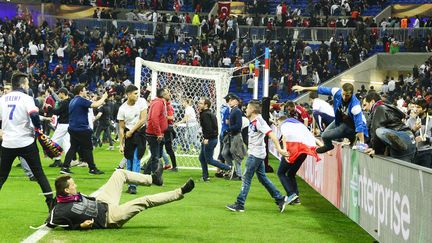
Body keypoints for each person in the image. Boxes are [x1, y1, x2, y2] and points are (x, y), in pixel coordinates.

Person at [46, 169, 195, 230]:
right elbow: (50, 223)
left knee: (119, 174)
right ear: (66, 190)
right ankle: (180, 192)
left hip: (102, 201)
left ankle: (153, 179)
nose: (75, 185)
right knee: (144, 201)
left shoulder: (69, 196)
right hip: (110, 217)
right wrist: (79, 226)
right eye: (73, 185)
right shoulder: (60, 210)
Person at [0, 72, 55, 211]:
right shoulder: (26, 98)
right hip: (25, 141)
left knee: (2, 176)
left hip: (8, 142)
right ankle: (51, 204)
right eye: (27, 83)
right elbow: (34, 115)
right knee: (39, 173)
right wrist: (37, 129)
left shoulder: (3, 99)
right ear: (23, 84)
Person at [226, 100, 290, 213]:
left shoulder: (259, 121)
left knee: (246, 178)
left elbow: (271, 135)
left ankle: (240, 204)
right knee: (262, 178)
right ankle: (280, 198)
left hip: (255, 155)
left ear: (252, 109)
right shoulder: (255, 120)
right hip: (257, 153)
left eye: (247, 108)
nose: (245, 109)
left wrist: (279, 149)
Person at [292, 83, 368, 153]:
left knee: (325, 135)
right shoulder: (337, 92)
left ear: (351, 94)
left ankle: (351, 137)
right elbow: (321, 89)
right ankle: (329, 146)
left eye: (347, 95)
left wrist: (362, 143)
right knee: (324, 136)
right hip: (340, 120)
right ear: (341, 91)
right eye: (343, 94)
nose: (344, 97)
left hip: (352, 125)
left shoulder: (355, 106)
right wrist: (304, 88)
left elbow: (359, 125)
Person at [60, 84, 106, 175]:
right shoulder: (81, 100)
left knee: (73, 148)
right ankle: (92, 168)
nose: (86, 92)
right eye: (84, 90)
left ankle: (65, 167)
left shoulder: (72, 101)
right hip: (81, 129)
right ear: (80, 91)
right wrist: (104, 97)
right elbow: (96, 104)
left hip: (72, 128)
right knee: (88, 148)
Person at [276, 115, 320, 206]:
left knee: (281, 173)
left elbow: (284, 137)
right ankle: (296, 199)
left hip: (293, 151)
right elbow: (313, 138)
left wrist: (284, 150)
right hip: (303, 152)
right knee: (291, 174)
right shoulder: (298, 126)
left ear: (281, 121)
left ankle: (291, 194)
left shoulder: (285, 125)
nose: (278, 126)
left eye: (278, 124)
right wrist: (324, 147)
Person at [362, 92, 416, 162]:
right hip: (410, 140)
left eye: (365, 105)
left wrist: (376, 150)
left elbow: (376, 131)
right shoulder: (388, 108)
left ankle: (397, 141)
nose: (364, 108)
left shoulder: (379, 108)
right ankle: (395, 144)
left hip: (402, 137)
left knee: (380, 131)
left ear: (372, 101)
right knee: (402, 170)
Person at [117, 85, 148, 194]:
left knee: (136, 158)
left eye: (137, 93)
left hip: (139, 134)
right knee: (129, 160)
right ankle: (130, 183)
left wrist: (132, 131)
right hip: (129, 135)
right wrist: (121, 144)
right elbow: (121, 127)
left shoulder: (142, 101)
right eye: (135, 93)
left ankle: (133, 185)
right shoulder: (122, 109)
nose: (137, 95)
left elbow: (143, 119)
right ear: (128, 94)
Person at [197, 98, 231, 181]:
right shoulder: (208, 113)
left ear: (206, 105)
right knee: (202, 158)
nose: (198, 104)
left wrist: (206, 138)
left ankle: (228, 167)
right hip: (212, 138)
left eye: (201, 103)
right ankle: (205, 177)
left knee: (209, 160)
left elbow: (208, 128)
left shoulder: (205, 115)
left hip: (209, 139)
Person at [143, 88, 169, 175]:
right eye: (167, 93)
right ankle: (154, 177)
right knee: (155, 157)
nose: (169, 94)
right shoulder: (158, 103)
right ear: (163, 95)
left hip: (158, 133)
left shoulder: (160, 102)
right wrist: (158, 133)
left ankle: (146, 173)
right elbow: (154, 118)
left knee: (157, 155)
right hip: (154, 134)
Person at [222, 94, 246, 180]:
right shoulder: (233, 110)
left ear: (235, 101)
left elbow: (238, 125)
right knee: (225, 153)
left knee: (236, 155)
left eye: (230, 100)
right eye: (228, 100)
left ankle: (239, 175)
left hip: (235, 135)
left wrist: (228, 129)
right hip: (232, 134)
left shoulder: (237, 111)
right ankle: (232, 170)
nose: (228, 102)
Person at [48, 87, 71, 168]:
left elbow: (57, 112)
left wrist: (49, 107)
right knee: (65, 143)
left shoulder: (64, 103)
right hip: (69, 124)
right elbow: (58, 100)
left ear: (62, 93)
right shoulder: (70, 101)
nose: (58, 94)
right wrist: (52, 92)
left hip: (63, 125)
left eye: (59, 93)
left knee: (53, 142)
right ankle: (67, 161)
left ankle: (58, 160)